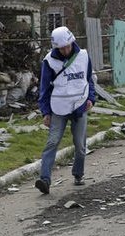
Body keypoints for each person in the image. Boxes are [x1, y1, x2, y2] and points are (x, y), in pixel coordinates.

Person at [35, 26, 95, 195]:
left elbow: (89, 79)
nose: (66, 50)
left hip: (80, 105)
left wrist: (91, 98)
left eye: (68, 46)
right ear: (56, 47)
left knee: (80, 145)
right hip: (58, 108)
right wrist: (45, 112)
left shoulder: (83, 56)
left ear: (72, 42)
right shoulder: (49, 61)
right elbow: (44, 89)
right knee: (52, 142)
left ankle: (78, 174)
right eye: (62, 48)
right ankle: (45, 179)